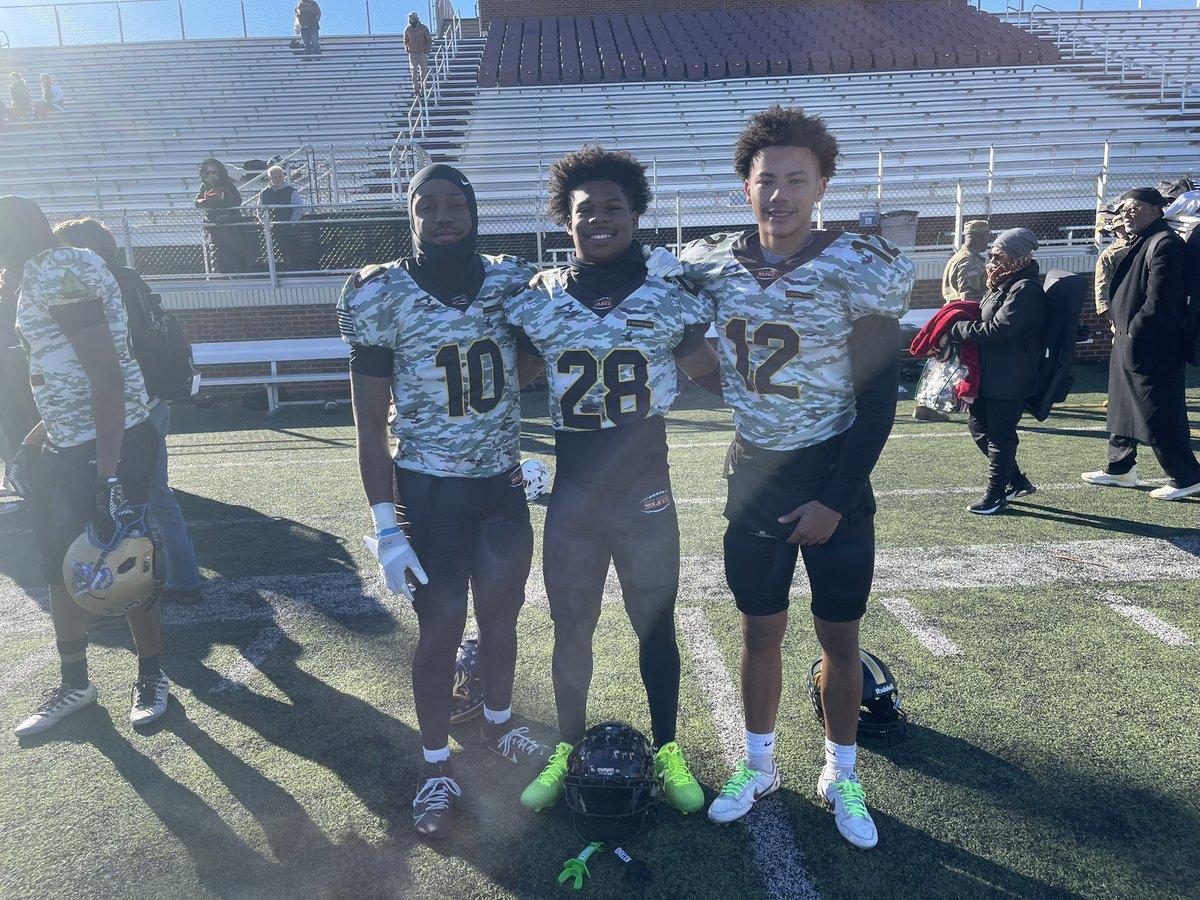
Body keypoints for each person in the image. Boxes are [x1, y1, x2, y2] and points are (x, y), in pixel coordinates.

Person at [678, 106, 914, 850]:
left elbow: (878, 400)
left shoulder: (859, 265)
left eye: (796, 180)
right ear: (744, 187)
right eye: (766, 180)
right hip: (755, 474)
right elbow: (719, 372)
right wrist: (700, 362)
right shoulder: (712, 266)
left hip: (832, 472)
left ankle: (841, 771)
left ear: (821, 187)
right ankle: (759, 766)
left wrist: (834, 500)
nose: (779, 194)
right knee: (759, 630)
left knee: (839, 638)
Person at [337, 164, 551, 840]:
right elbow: (369, 424)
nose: (442, 215)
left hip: (500, 484)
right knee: (439, 627)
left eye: (455, 202)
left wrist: (505, 396)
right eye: (426, 205)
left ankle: (498, 722)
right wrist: (384, 523)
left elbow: (532, 358)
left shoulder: (511, 281)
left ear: (474, 210)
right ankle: (435, 765)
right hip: (429, 491)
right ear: (411, 217)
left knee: (502, 615)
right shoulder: (381, 291)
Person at [507, 147, 717, 821]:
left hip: (645, 497)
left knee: (655, 627)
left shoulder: (668, 294)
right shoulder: (539, 298)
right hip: (574, 498)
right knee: (571, 631)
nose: (599, 218)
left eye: (613, 207)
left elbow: (715, 374)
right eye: (585, 209)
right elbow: (510, 380)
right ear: (565, 221)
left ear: (635, 215)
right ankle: (567, 748)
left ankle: (669, 749)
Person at [0, 195, 169, 737]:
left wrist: (108, 474)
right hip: (72, 439)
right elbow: (68, 372)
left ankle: (151, 675)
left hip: (106, 443)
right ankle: (75, 683)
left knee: (126, 559)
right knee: (58, 564)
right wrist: (40, 435)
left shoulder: (56, 272)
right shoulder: (58, 264)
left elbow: (106, 376)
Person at [52, 218, 204, 605]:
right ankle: (178, 577)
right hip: (148, 400)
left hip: (124, 405)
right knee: (154, 496)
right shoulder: (130, 281)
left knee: (125, 498)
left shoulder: (97, 287)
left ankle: (135, 583)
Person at [1082, 188, 1200, 500]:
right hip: (1129, 339)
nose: (1127, 213)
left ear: (1157, 209)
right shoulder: (1144, 239)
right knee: (1122, 405)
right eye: (1124, 209)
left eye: (1135, 207)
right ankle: (1120, 468)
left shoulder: (1165, 244)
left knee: (1158, 411)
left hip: (1151, 345)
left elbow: (1160, 302)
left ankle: (1186, 477)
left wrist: (1134, 332)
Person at [944, 227, 1043, 515]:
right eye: (993, 255)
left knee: (1000, 436)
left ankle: (995, 496)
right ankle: (1016, 481)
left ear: (1017, 257)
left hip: (1010, 375)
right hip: (992, 373)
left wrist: (956, 329)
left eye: (999, 256)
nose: (993, 262)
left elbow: (1000, 330)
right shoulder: (1004, 283)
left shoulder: (1024, 289)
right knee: (978, 427)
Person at [193, 158, 248, 275]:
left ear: (219, 172)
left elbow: (237, 201)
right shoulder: (204, 187)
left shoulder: (227, 185)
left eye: (214, 172)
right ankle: (223, 275)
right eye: (208, 172)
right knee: (219, 254)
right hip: (215, 226)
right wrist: (207, 201)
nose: (211, 175)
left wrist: (222, 200)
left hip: (231, 226)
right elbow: (197, 202)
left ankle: (241, 275)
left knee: (235, 253)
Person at [256, 166, 306, 271]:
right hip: (270, 230)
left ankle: (294, 271)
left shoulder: (292, 191)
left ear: (283, 177)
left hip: (288, 230)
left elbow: (299, 209)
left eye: (280, 176)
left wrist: (291, 223)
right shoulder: (263, 193)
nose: (278, 179)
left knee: (291, 252)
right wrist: (264, 223)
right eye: (275, 177)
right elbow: (259, 210)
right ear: (270, 178)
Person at [942, 220, 989, 305]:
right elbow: (968, 298)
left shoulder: (958, 257)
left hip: (956, 309)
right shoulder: (970, 262)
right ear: (981, 237)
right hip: (967, 311)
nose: (988, 240)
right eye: (987, 235)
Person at [404, 12, 433, 95]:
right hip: (412, 54)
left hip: (422, 53)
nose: (412, 21)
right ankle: (416, 90)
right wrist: (407, 48)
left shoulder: (424, 28)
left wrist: (426, 52)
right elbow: (405, 41)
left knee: (424, 73)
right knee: (413, 71)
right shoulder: (407, 29)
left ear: (416, 19)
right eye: (410, 19)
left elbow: (429, 40)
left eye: (413, 19)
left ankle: (423, 91)